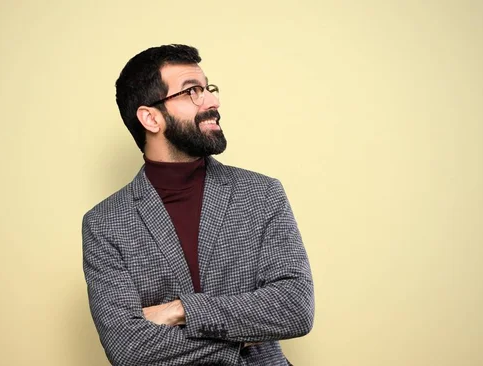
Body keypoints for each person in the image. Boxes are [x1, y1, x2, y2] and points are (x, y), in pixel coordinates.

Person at [82, 44, 314, 365]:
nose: (213, 101)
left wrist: (180, 310)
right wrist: (242, 339)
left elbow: (295, 308)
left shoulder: (262, 193)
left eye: (208, 88)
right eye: (192, 91)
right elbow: (128, 349)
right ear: (151, 118)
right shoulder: (104, 223)